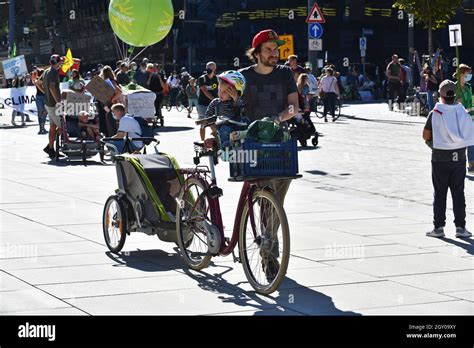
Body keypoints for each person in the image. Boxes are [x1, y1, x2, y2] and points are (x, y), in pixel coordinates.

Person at [238, 29, 299, 281]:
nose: (274, 54)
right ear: (256, 53)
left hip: (280, 144)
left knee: (276, 203)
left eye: (276, 50)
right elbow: (229, 103)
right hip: (253, 146)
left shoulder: (285, 74)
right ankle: (269, 256)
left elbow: (293, 107)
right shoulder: (243, 77)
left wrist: (276, 118)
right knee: (266, 197)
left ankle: (267, 242)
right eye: (269, 50)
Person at [423, 80, 473, 239]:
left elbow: (425, 135)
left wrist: (434, 142)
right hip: (459, 157)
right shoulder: (462, 112)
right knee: (458, 193)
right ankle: (460, 228)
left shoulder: (435, 113)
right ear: (455, 95)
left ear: (440, 95)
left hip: (439, 158)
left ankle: (438, 227)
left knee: (440, 193)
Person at [205, 70, 247, 150]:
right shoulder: (216, 102)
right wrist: (211, 124)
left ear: (235, 92)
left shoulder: (236, 101)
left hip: (238, 126)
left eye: (225, 92)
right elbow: (208, 114)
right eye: (219, 90)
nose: (220, 94)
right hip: (222, 125)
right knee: (225, 130)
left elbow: (243, 108)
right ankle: (225, 146)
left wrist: (235, 97)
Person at [41, 55, 64, 158]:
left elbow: (38, 82)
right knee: (63, 127)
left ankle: (50, 148)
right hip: (53, 105)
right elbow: (51, 87)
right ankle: (53, 147)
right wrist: (58, 101)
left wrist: (46, 94)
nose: (61, 65)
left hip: (48, 103)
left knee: (53, 127)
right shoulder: (54, 72)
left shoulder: (46, 71)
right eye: (60, 63)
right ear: (58, 63)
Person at [454, 64, 474, 171]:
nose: (469, 76)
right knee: (460, 143)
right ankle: (459, 163)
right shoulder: (454, 87)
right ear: (461, 74)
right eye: (467, 74)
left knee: (471, 141)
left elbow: (470, 102)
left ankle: (471, 163)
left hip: (470, 118)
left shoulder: (468, 87)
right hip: (459, 119)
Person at [197, 62, 219, 140]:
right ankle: (202, 142)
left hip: (214, 105)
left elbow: (220, 90)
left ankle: (217, 142)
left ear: (214, 69)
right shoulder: (202, 78)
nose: (209, 69)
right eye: (208, 67)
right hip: (203, 104)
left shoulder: (217, 79)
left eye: (211, 67)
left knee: (214, 123)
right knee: (203, 124)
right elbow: (205, 91)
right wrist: (215, 99)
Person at [100, 65, 122, 137]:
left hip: (112, 104)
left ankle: (114, 139)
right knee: (111, 123)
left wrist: (113, 99)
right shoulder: (106, 82)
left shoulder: (111, 82)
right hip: (108, 104)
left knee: (112, 124)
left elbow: (119, 91)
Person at [34, 68, 48, 134]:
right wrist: (44, 92)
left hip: (44, 97)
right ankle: (41, 128)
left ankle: (42, 127)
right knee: (40, 112)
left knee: (44, 112)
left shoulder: (45, 79)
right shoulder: (37, 79)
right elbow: (36, 84)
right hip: (39, 97)